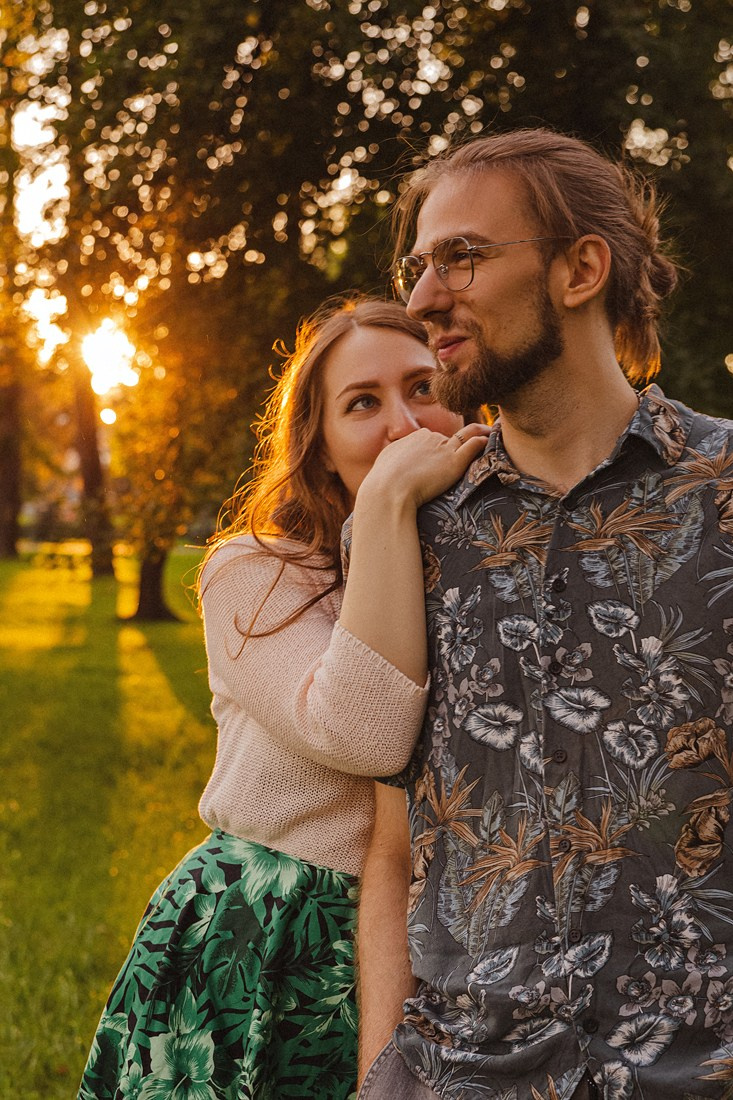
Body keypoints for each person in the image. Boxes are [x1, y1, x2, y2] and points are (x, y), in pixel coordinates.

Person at [356, 128, 733, 1100]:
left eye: (462, 257)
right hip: (459, 1073)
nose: (423, 295)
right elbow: (393, 849)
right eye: (418, 264)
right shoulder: (413, 528)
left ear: (580, 268)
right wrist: (379, 1075)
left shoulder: (722, 490)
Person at [77, 297, 489, 1100]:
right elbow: (362, 734)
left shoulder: (491, 573)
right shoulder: (255, 574)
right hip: (263, 931)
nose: (402, 425)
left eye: (423, 389)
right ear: (320, 442)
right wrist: (383, 509)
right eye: (361, 403)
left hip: (446, 941)